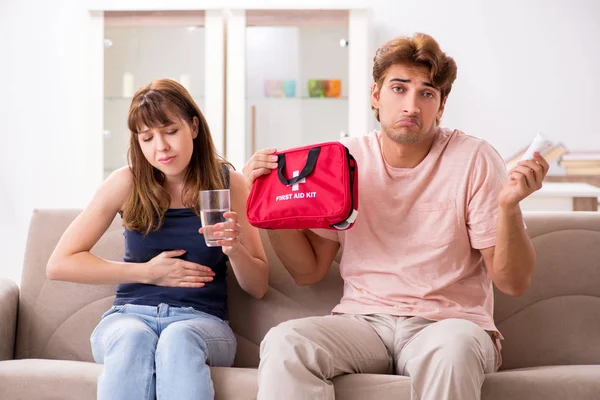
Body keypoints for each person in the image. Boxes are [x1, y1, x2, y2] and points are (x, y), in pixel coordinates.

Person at [243, 33, 548, 400]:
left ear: (442, 105)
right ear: (376, 95)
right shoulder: (344, 159)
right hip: (363, 324)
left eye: (427, 93)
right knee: (285, 341)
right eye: (399, 88)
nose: (412, 106)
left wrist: (509, 206)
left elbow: (513, 282)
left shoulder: (475, 159)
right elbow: (309, 271)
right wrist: (273, 202)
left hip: (448, 325)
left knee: (454, 348)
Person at [47, 79, 268, 400]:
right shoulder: (126, 181)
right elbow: (59, 264)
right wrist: (146, 272)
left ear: (193, 127)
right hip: (128, 316)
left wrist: (234, 249)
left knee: (178, 338)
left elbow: (259, 285)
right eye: (147, 138)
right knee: (132, 338)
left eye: (170, 131)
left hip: (201, 322)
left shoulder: (229, 183)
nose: (160, 147)